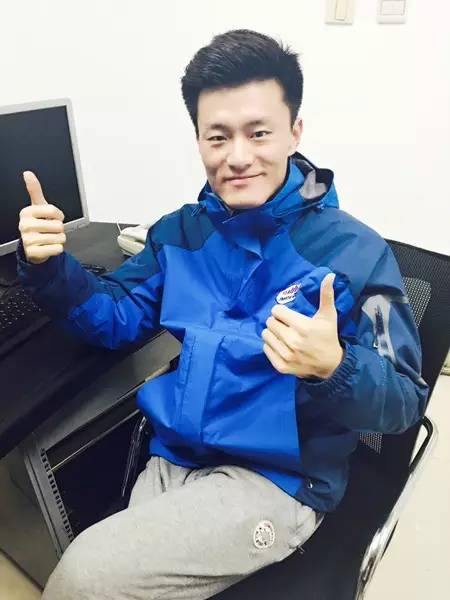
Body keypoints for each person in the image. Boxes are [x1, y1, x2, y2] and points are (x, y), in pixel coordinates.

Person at [16, 29, 428, 600]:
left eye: (259, 133)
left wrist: (333, 367)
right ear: (199, 140)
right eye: (218, 136)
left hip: (277, 481)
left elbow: (404, 401)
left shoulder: (355, 253)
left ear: (294, 132)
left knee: (84, 576)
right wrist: (50, 266)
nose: (237, 157)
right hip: (175, 456)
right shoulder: (181, 233)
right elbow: (114, 319)